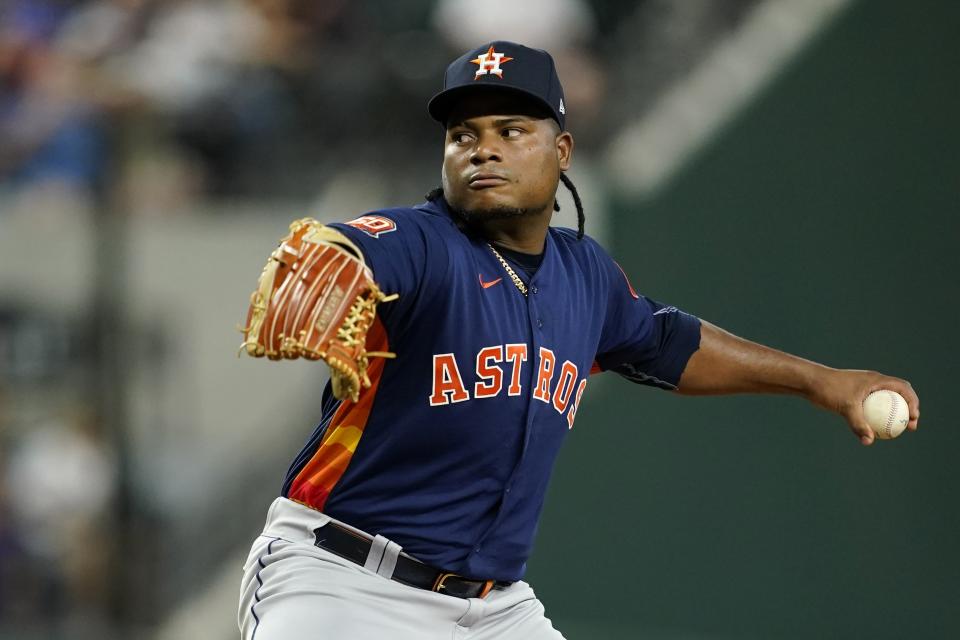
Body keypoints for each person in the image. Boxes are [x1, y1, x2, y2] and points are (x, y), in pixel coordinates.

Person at [237, 41, 919, 640]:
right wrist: (343, 260)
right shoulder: (423, 244)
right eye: (463, 135)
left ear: (561, 150)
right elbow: (355, 247)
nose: (483, 148)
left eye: (511, 129)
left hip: (493, 609)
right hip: (345, 582)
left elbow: (666, 343)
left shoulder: (583, 273)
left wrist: (821, 380)